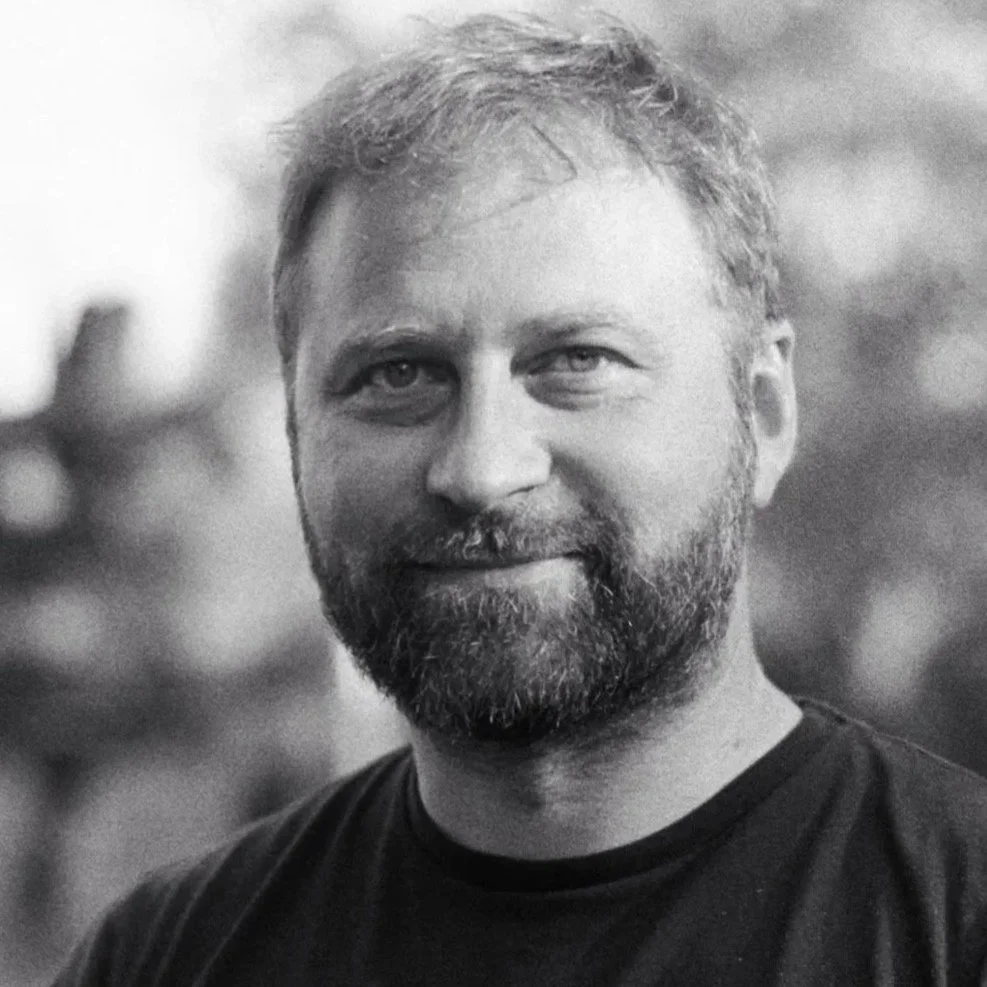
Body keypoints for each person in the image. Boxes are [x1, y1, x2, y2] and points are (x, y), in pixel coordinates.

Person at [55, 12, 987, 986]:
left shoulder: (953, 926)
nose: (480, 467)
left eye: (577, 361)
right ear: (296, 435)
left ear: (762, 412)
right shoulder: (163, 958)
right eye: (399, 374)